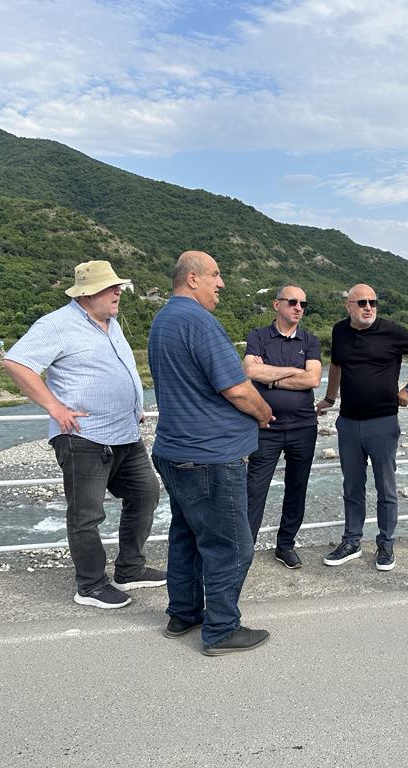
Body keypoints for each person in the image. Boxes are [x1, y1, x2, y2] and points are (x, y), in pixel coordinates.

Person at [3, 260, 163, 610]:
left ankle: (129, 569)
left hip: (124, 433)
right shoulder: (57, 324)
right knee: (86, 514)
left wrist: (134, 403)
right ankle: (90, 585)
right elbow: (16, 363)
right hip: (84, 437)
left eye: (117, 286)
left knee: (146, 494)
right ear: (87, 294)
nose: (118, 292)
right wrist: (54, 407)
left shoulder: (112, 323)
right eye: (110, 287)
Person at [148, 250, 274, 656]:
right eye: (215, 275)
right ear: (192, 279)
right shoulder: (200, 322)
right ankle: (221, 630)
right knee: (231, 546)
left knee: (187, 535)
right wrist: (264, 413)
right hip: (210, 455)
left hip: (175, 450)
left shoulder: (163, 320)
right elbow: (237, 389)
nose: (221, 283)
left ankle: (184, 613)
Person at [316, 283, 408, 571]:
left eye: (373, 302)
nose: (368, 307)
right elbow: (336, 365)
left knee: (386, 487)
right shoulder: (339, 330)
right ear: (348, 306)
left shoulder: (391, 330)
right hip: (348, 422)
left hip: (383, 422)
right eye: (362, 303)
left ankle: (386, 543)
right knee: (352, 486)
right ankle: (351, 542)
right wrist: (330, 398)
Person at [243, 285, 322, 569]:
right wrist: (294, 371)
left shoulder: (310, 340)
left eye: (303, 304)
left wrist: (271, 377)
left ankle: (285, 545)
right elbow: (250, 370)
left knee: (296, 489)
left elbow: (313, 379)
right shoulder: (258, 336)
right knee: (254, 489)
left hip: (303, 426)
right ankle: (244, 549)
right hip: (266, 426)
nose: (298, 307)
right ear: (277, 304)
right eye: (292, 302)